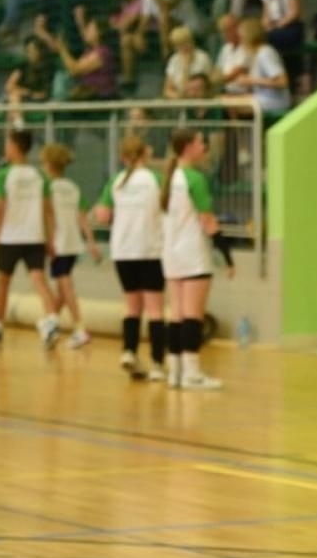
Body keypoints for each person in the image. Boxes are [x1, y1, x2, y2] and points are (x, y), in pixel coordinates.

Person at [160, 127, 230, 389]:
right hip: (193, 254)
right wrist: (227, 255)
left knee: (176, 314)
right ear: (188, 147)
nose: (205, 147)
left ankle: (174, 372)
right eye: (201, 142)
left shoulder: (169, 178)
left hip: (171, 254)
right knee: (193, 315)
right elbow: (208, 221)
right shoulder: (195, 179)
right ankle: (192, 373)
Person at [95, 135, 169, 379]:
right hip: (150, 249)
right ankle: (158, 364)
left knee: (131, 306)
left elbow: (103, 216)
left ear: (122, 158)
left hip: (123, 252)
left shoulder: (115, 182)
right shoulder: (155, 179)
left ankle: (129, 351)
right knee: (155, 309)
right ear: (146, 155)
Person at [0, 128, 61, 348]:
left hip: (9, 238)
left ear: (15, 147)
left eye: (7, 144)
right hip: (34, 238)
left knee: (2, 283)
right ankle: (52, 320)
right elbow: (48, 211)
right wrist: (50, 239)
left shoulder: (2, 176)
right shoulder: (40, 177)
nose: (5, 148)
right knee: (39, 280)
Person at [42, 142, 100, 348]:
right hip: (74, 243)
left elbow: (46, 216)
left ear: (48, 164)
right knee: (63, 289)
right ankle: (51, 326)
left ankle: (80, 328)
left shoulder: (46, 187)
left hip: (57, 243)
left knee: (65, 285)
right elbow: (83, 219)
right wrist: (91, 243)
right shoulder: (73, 188)